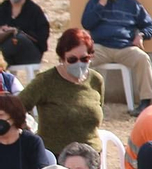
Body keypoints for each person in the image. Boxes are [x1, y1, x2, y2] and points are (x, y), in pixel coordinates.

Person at [77, 0, 152, 113]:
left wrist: (141, 35)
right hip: (100, 47)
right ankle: (81, 100)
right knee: (80, 61)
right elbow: (87, 23)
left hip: (124, 47)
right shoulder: (95, 2)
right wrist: (101, 4)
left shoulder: (133, 5)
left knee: (143, 59)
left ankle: (145, 103)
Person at [15, 27, 102, 155]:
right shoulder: (45, 81)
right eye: (72, 60)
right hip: (55, 157)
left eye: (84, 59)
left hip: (90, 157)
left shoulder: (96, 80)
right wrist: (26, 131)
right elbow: (16, 107)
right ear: (61, 58)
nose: (79, 64)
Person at [0, 0, 49, 68]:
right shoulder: (3, 7)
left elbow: (42, 35)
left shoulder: (34, 10)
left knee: (18, 39)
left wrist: (16, 31)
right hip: (8, 51)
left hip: (29, 53)